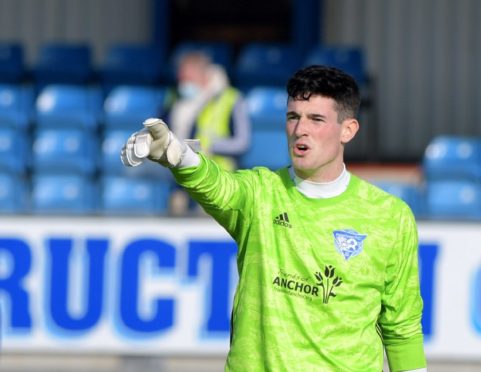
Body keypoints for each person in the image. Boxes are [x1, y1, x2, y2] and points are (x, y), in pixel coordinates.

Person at [121, 65, 426, 371]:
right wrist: (178, 154)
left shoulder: (389, 216)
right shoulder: (260, 193)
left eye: (316, 119)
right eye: (293, 117)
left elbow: (402, 328)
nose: (300, 129)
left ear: (348, 129)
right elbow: (216, 185)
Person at [169, 51, 250, 171]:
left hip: (220, 173)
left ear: (204, 76)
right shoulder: (175, 98)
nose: (183, 84)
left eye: (188, 79)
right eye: (181, 79)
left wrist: (208, 146)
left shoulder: (231, 99)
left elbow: (243, 143)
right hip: (183, 171)